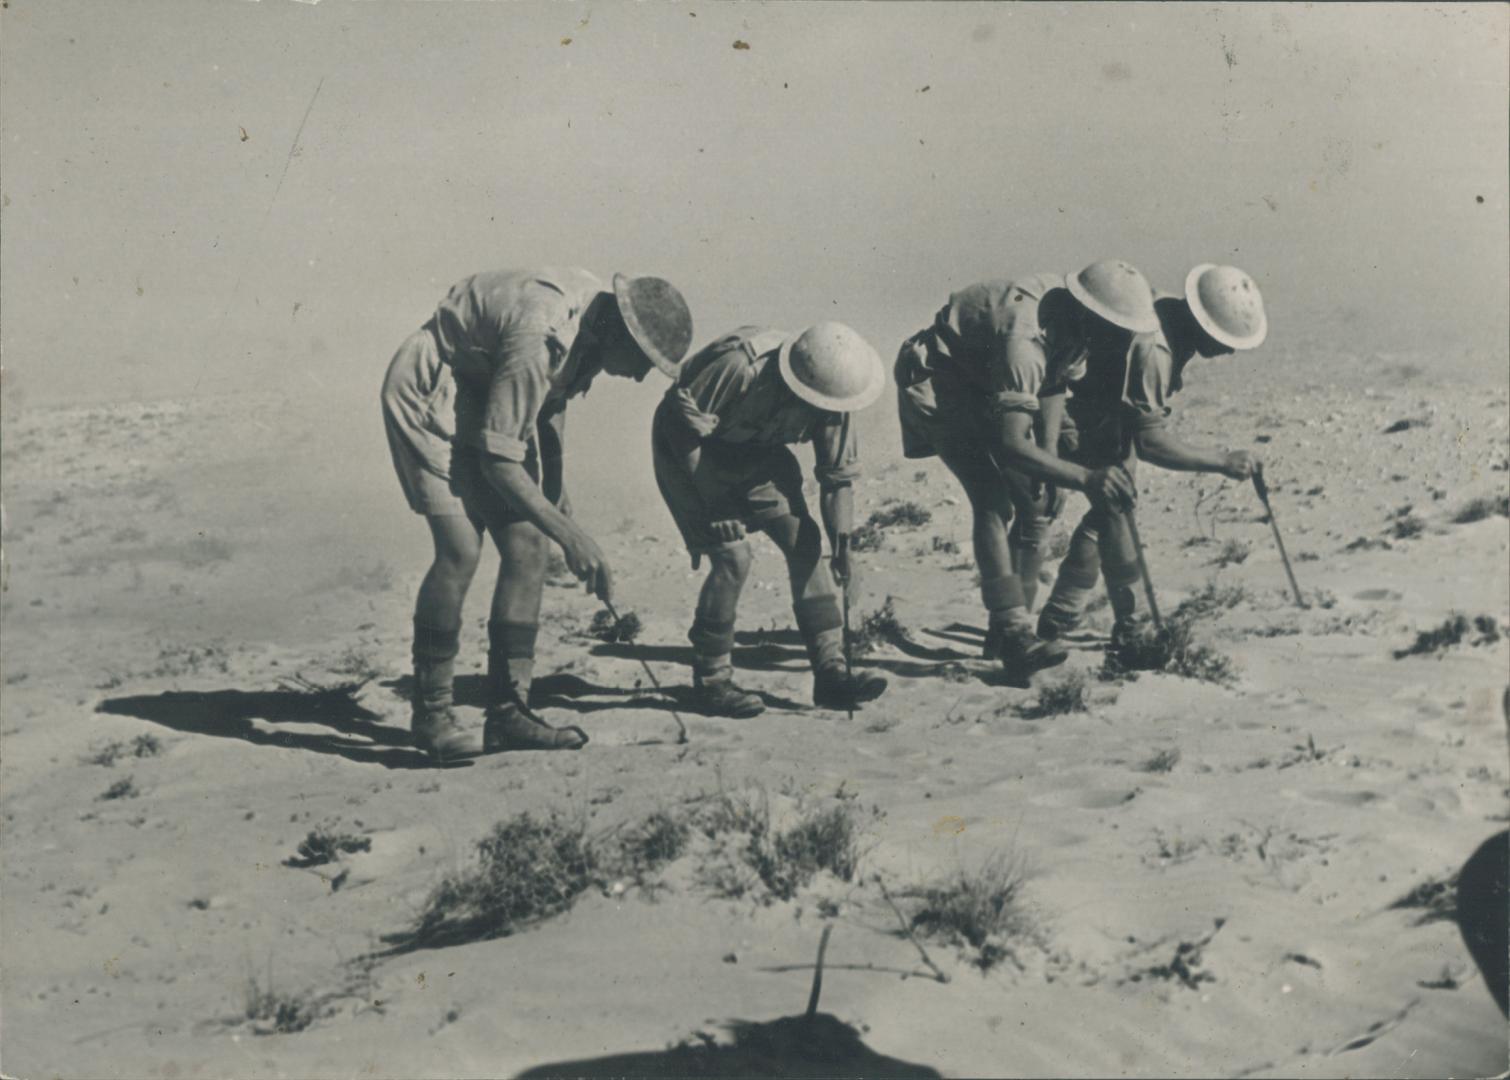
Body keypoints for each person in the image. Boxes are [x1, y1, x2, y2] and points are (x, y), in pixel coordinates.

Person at [383, 268, 693, 763]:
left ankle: (509, 713)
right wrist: (573, 536)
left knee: (528, 545)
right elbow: (498, 461)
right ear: (619, 332)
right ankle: (431, 716)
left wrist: (556, 483)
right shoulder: (540, 335)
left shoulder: (593, 322)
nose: (638, 376)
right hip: (432, 390)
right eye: (641, 361)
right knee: (461, 548)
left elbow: (552, 400)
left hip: (489, 392)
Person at [894, 263, 1143, 681]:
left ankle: (1008, 632)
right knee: (991, 500)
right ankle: (1011, 632)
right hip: (940, 379)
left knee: (1035, 501)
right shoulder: (1024, 342)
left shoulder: (1072, 317)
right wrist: (1082, 478)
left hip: (988, 377)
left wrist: (1048, 462)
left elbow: (1053, 384)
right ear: (1092, 316)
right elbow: (1012, 444)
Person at [652, 323, 890, 717]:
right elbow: (683, 435)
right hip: (690, 454)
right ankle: (712, 681)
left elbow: (837, 480)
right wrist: (718, 506)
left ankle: (831, 672)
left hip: (757, 453)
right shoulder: (740, 366)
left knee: (806, 545)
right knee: (732, 557)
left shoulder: (835, 394)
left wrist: (844, 549)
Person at [1032, 264, 1269, 642]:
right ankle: (1131, 623)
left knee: (1113, 509)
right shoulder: (1157, 348)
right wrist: (1223, 462)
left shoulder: (1168, 312)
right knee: (1116, 508)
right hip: (1075, 416)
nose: (1227, 351)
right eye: (1225, 341)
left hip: (1107, 416)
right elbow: (1150, 443)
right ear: (1204, 325)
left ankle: (1062, 613)